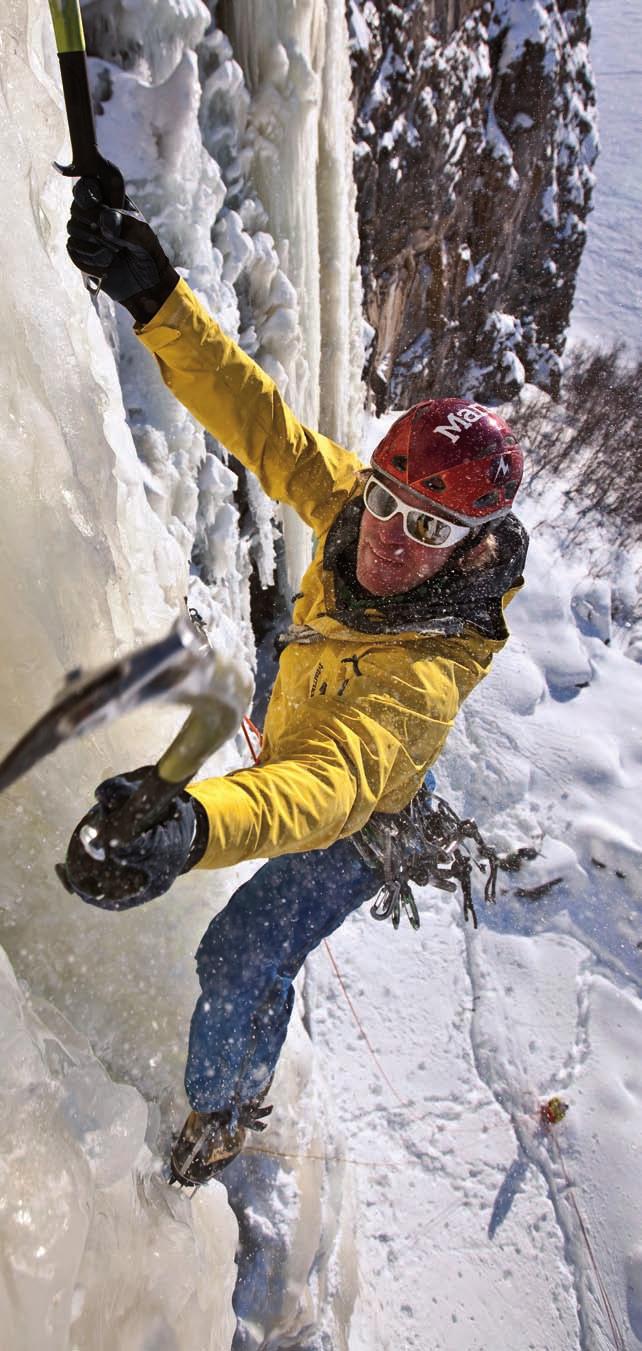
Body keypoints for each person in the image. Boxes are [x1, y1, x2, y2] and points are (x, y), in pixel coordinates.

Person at [63, 181, 528, 1185]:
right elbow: (260, 422)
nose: (397, 542)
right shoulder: (358, 513)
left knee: (239, 956)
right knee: (290, 640)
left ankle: (222, 1116)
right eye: (394, 503)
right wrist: (156, 299)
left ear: (469, 552)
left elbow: (327, 784)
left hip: (363, 817)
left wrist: (193, 826)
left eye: (434, 530)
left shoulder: (424, 681)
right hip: (309, 704)